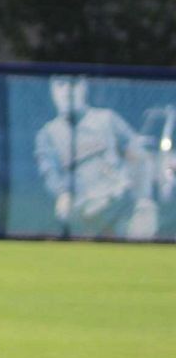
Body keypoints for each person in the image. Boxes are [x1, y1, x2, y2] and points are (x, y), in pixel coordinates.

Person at [34, 75, 156, 239]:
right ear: (52, 91)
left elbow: (136, 153)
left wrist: (135, 183)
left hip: (120, 201)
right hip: (86, 212)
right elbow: (49, 172)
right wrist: (62, 193)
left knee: (145, 208)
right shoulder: (48, 134)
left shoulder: (106, 119)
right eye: (61, 85)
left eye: (74, 84)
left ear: (84, 87)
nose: (68, 91)